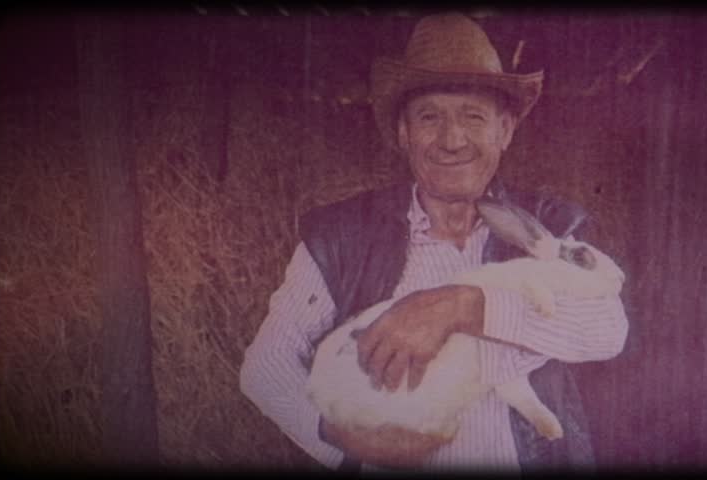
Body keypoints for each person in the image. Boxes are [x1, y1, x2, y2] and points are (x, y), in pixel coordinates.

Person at [240, 12, 628, 472]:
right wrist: (338, 440)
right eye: (430, 117)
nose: (452, 139)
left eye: (473, 116)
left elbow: (607, 332)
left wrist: (460, 307)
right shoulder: (342, 236)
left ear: (504, 131)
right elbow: (265, 367)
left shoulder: (548, 225)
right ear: (403, 134)